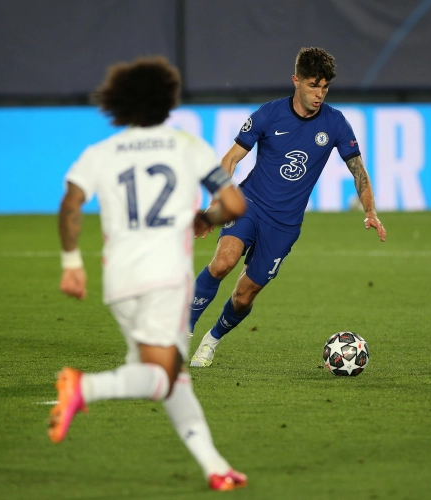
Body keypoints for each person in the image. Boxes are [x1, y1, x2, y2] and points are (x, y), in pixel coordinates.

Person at [50, 56, 249, 491]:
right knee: (160, 377)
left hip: (119, 283)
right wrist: (206, 218)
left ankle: (214, 466)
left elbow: (70, 203)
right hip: (165, 279)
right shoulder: (186, 146)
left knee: (173, 376)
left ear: (119, 104)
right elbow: (234, 205)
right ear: (167, 100)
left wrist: (71, 264)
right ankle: (83, 388)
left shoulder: (99, 154)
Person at [189, 47, 386, 368]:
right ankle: (185, 327)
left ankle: (211, 340)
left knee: (244, 295)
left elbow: (358, 170)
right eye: (313, 86)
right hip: (248, 205)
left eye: (325, 88)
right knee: (223, 262)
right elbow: (230, 159)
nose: (319, 94)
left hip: (284, 226)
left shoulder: (335, 123)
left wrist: (370, 211)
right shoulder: (268, 114)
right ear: (296, 81)